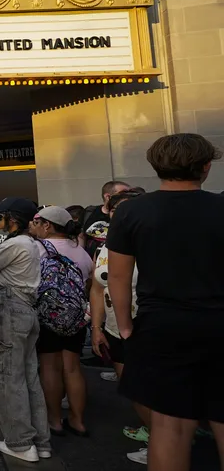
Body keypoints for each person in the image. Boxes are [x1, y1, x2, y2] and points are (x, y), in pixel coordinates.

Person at [107, 134, 224, 471]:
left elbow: (118, 277)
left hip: (161, 325)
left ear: (156, 166)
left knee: (170, 426)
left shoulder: (131, 212)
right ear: (206, 167)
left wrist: (126, 327)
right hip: (220, 323)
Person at [0, 198, 50, 462]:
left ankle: (20, 443)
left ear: (13, 219)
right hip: (26, 311)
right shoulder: (29, 243)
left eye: (0, 216)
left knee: (8, 378)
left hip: (9, 311)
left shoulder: (16, 243)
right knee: (28, 378)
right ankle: (40, 442)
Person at [89, 188, 150, 464]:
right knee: (132, 386)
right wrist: (97, 327)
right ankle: (157, 432)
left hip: (147, 327)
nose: (120, 215)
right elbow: (97, 286)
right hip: (115, 328)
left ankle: (164, 441)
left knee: (152, 389)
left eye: (126, 209)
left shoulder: (153, 241)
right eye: (115, 210)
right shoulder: (105, 245)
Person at [29, 205, 93, 439]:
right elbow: (88, 285)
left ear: (47, 225)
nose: (33, 226)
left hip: (48, 317)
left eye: (37, 222)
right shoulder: (81, 251)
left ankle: (54, 421)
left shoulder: (37, 249)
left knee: (50, 367)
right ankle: (78, 421)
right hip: (76, 318)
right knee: (73, 368)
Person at [80, 181, 130, 254]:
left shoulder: (128, 215)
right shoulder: (89, 212)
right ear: (107, 197)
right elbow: (81, 237)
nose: (128, 197)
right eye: (123, 193)